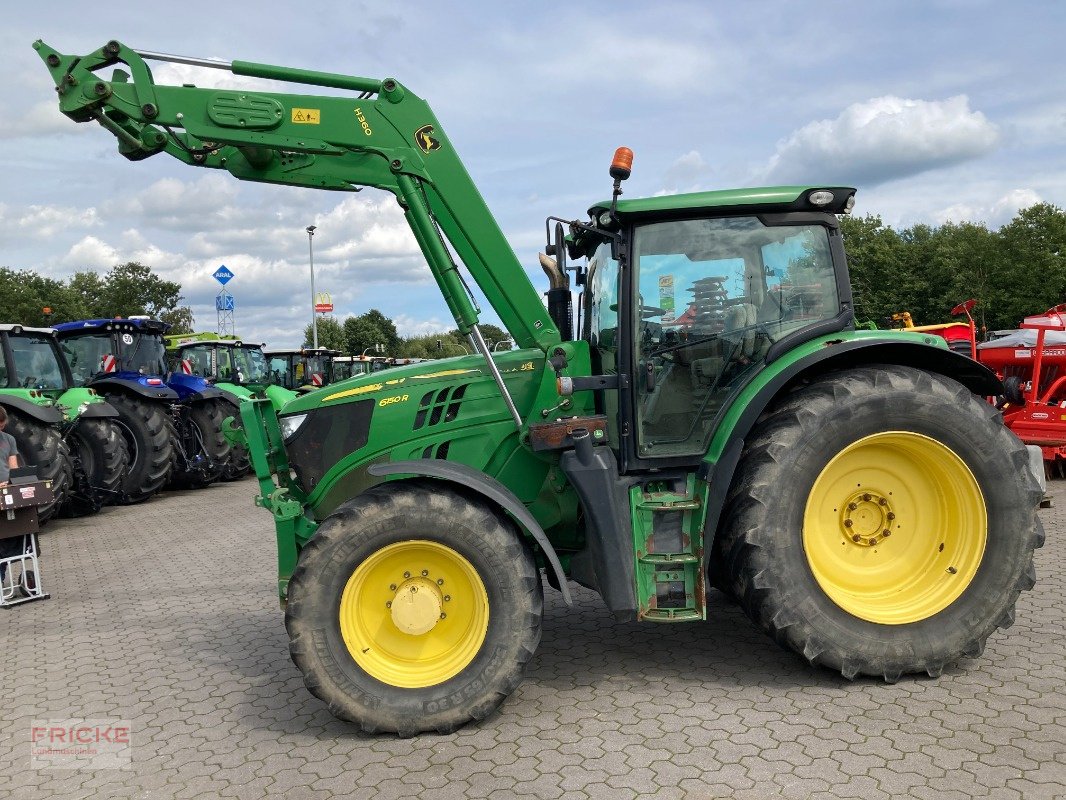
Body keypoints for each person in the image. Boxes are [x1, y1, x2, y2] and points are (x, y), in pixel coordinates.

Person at [0, 407, 18, 486]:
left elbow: (13, 467)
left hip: (7, 488)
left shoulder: (9, 439)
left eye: (1, 426)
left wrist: (14, 483)